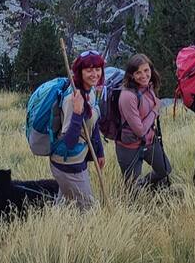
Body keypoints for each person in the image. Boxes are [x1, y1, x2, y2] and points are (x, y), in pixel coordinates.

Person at [50, 50, 106, 210]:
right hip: (68, 163)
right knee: (89, 209)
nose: (94, 74)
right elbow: (69, 141)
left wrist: (99, 151)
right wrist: (76, 112)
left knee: (63, 208)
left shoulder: (91, 92)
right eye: (89, 70)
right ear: (79, 72)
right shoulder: (71, 99)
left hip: (78, 158)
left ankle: (51, 231)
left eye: (97, 69)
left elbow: (92, 124)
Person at [114, 53, 172, 191]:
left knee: (165, 170)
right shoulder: (127, 96)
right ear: (131, 75)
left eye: (146, 70)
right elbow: (139, 130)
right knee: (131, 189)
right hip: (129, 146)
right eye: (138, 72)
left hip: (150, 141)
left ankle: (144, 186)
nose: (144, 75)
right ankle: (135, 202)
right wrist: (155, 110)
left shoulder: (149, 87)